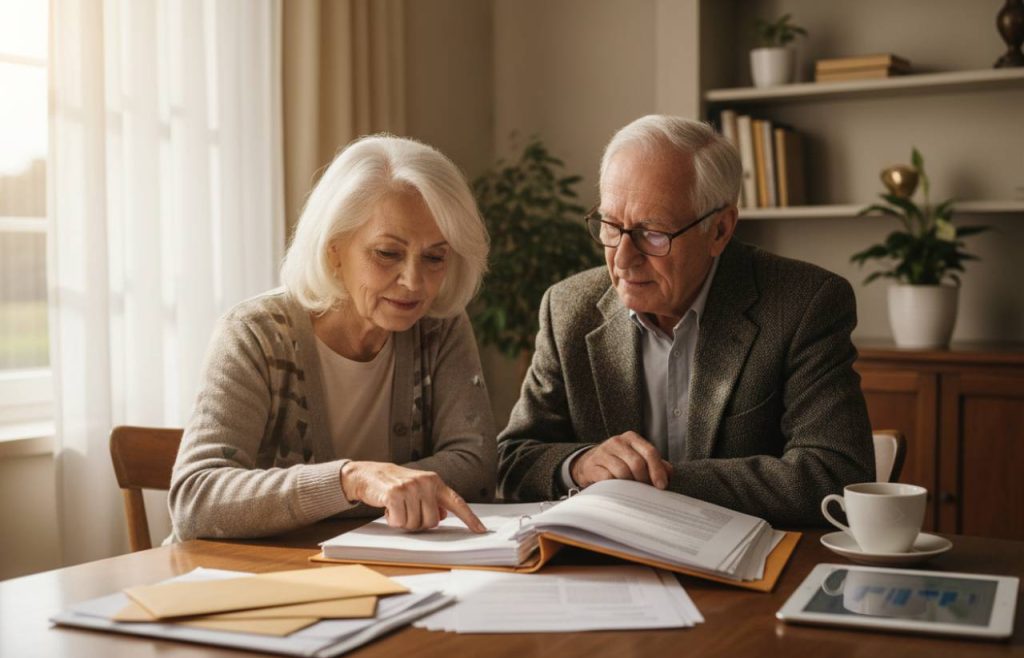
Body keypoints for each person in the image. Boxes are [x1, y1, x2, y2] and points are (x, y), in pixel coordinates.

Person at [497, 115, 873, 526]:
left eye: (652, 233)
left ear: (720, 230)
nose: (622, 258)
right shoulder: (568, 308)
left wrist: (657, 482)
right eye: (610, 225)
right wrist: (579, 464)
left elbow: (834, 476)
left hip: (752, 572)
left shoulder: (804, 303)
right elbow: (513, 459)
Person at [170, 134, 495, 540]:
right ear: (333, 249)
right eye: (387, 253)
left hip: (371, 570)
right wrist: (352, 480)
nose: (414, 282)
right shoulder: (254, 334)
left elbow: (476, 468)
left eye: (434, 257)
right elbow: (196, 501)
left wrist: (380, 489)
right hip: (248, 578)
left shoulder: (440, 327)